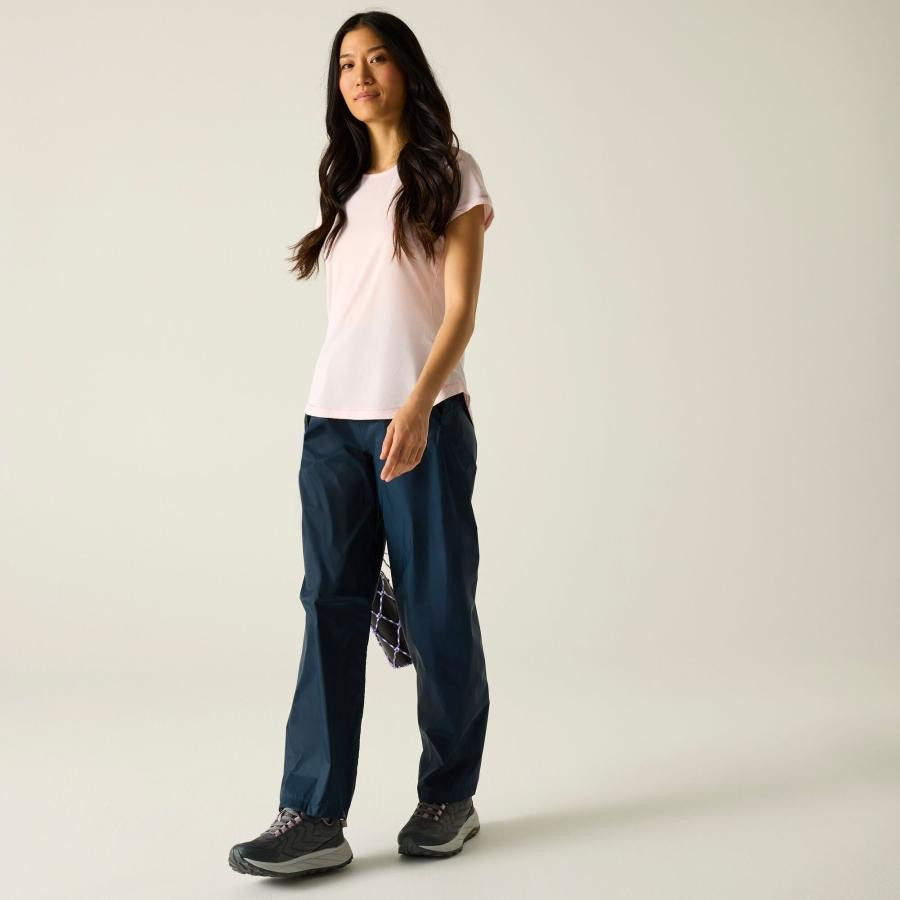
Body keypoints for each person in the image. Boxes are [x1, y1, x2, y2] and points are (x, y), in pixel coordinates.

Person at [229, 10, 493, 878]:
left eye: (378, 59)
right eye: (347, 63)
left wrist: (415, 407)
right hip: (331, 425)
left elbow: (459, 312)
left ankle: (449, 795)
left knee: (438, 605)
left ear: (407, 71)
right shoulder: (342, 185)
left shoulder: (450, 173)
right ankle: (312, 815)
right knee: (328, 606)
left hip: (423, 417)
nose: (361, 75)